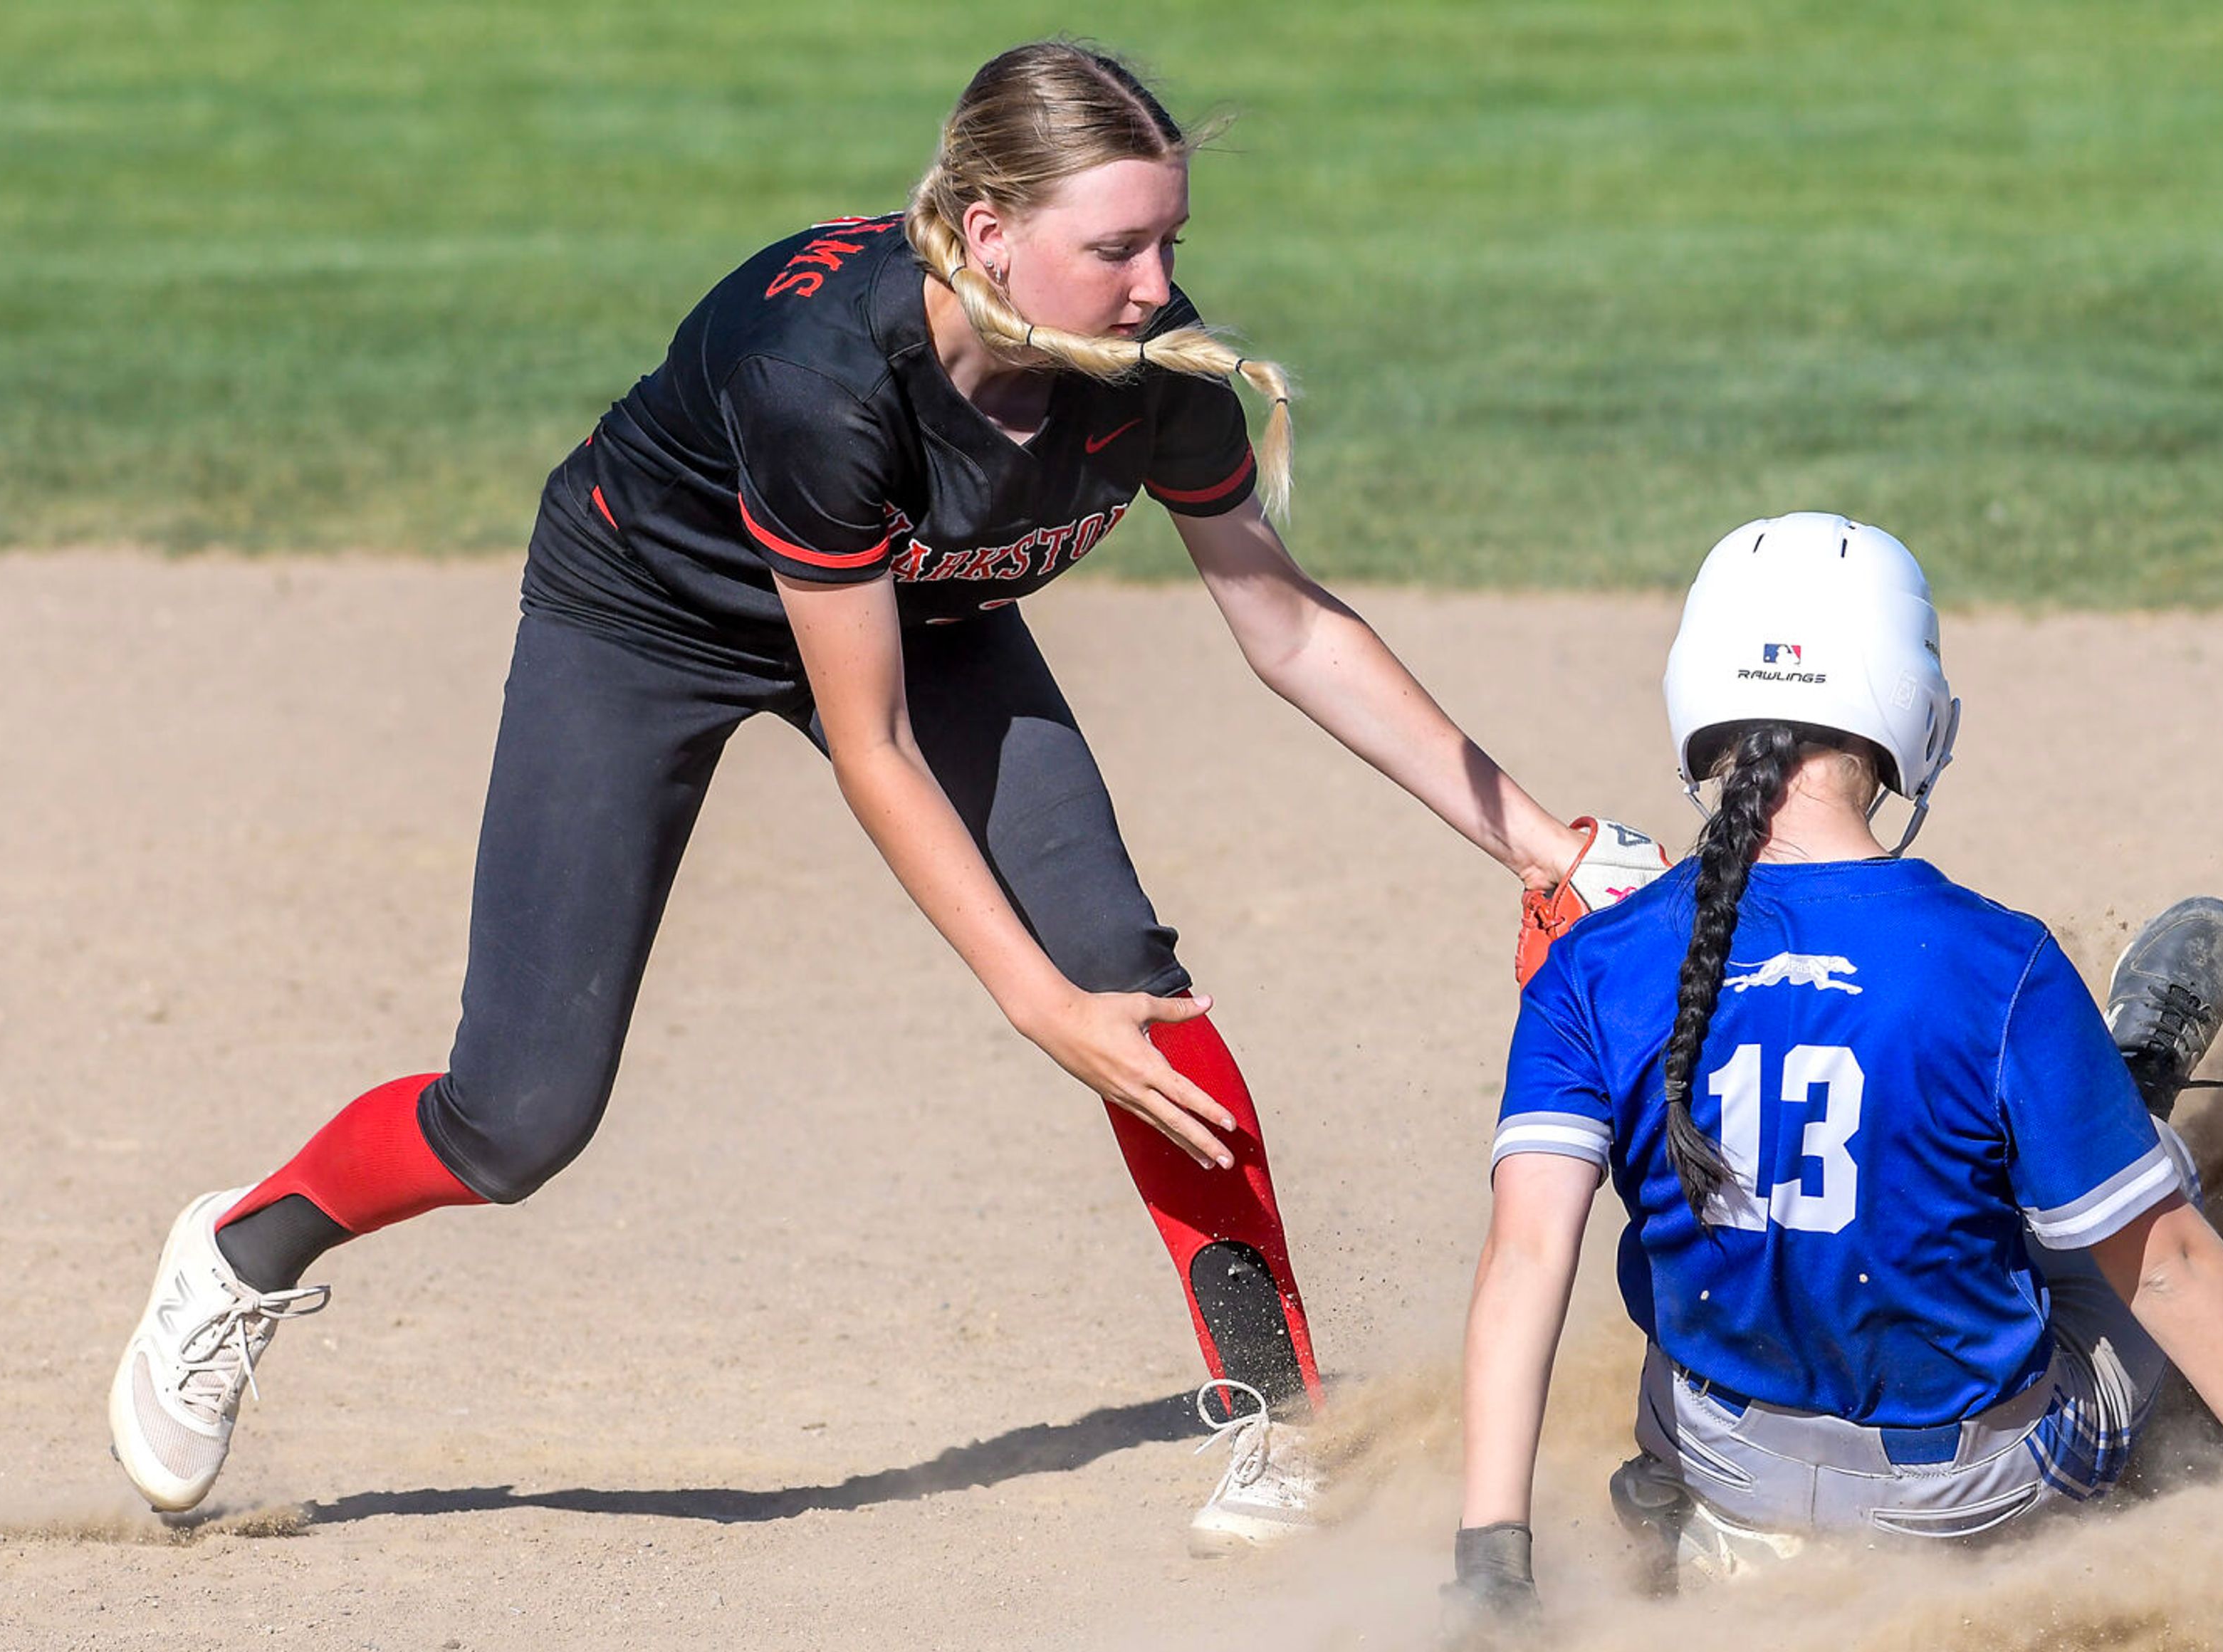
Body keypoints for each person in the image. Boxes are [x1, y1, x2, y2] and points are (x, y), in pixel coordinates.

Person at [106, 40, 1668, 1551]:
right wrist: (1028, 1003)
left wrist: (1544, 842)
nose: (1158, 286)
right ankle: (243, 1252)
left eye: (1170, 241)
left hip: (923, 613)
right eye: (1117, 246)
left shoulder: (1143, 375)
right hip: (644, 616)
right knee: (520, 1119)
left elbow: (1287, 624)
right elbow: (873, 748)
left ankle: (1283, 1415)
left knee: (1131, 981)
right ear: (988, 232)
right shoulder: (822, 376)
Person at [1448, 511, 2223, 1614]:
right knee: (2128, 1214)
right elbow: (2169, 1265)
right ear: (1907, 708)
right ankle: (2123, 1097)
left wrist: (1491, 1572)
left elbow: (1525, 1255)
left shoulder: (1596, 962)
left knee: (1665, 1244)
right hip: (1974, 1499)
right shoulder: (1997, 959)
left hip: (1729, 1464)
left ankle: (1690, 1507)